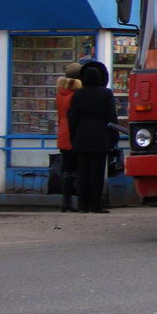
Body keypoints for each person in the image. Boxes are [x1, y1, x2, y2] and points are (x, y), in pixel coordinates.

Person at [67, 61, 118, 213]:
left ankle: (82, 205)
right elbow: (112, 118)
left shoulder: (77, 94)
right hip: (100, 137)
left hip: (81, 137)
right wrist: (113, 138)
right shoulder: (106, 94)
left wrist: (73, 137)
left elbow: (72, 118)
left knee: (83, 174)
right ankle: (95, 205)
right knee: (97, 174)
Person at [55, 63, 83, 212]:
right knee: (78, 169)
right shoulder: (77, 94)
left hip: (63, 133)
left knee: (67, 169)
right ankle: (80, 201)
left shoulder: (61, 92)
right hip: (75, 133)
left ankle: (65, 202)